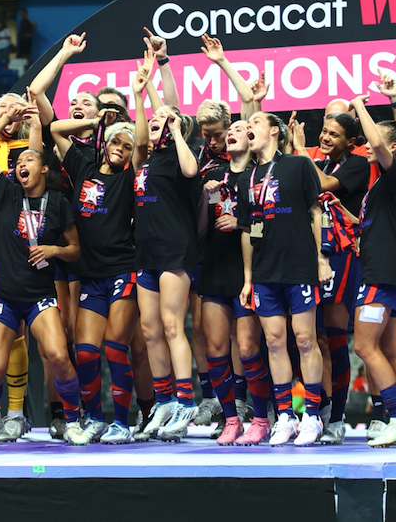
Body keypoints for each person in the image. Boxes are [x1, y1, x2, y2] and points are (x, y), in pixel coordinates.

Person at [0, 98, 86, 446]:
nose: (22, 163)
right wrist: (4, 118)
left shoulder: (59, 204)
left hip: (39, 295)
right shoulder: (6, 193)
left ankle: (74, 421)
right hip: (4, 294)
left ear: (44, 170)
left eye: (29, 159)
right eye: (18, 161)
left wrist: (54, 250)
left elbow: (75, 249)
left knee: (58, 357)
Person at [47, 58, 151, 444]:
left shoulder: (130, 175)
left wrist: (138, 98)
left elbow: (141, 142)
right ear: (106, 144)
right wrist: (95, 123)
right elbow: (56, 128)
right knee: (86, 352)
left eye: (126, 146)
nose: (121, 150)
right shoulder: (85, 163)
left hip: (122, 270)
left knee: (114, 347)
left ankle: (121, 423)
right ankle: (94, 418)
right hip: (90, 273)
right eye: (116, 143)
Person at [236, 112, 329, 447]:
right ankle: (286, 416)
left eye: (256, 123)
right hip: (264, 271)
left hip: (299, 266)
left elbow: (317, 212)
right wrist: (248, 278)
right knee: (274, 342)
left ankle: (313, 416)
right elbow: (249, 231)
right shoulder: (246, 177)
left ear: (274, 131)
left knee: (305, 340)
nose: (249, 127)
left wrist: (321, 258)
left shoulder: (298, 165)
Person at [291, 108, 369, 444]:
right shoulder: (318, 160)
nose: (324, 138)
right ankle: (318, 408)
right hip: (310, 255)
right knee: (309, 338)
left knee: (334, 338)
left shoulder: (357, 164)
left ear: (351, 141)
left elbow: (321, 185)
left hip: (340, 255)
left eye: (333, 134)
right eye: (323, 131)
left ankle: (337, 418)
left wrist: (299, 148)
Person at [198, 119, 274, 445]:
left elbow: (266, 227)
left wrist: (241, 223)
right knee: (215, 349)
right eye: (230, 131)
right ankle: (230, 419)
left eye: (240, 129)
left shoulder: (260, 176)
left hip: (248, 273)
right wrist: (203, 199)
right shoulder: (211, 173)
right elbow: (199, 230)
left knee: (246, 348)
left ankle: (259, 418)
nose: (232, 133)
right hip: (215, 267)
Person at [350, 94, 396, 447]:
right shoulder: (379, 186)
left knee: (363, 345)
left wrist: (359, 105)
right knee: (391, 347)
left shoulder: (395, 176)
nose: (366, 144)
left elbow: (376, 140)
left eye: (374, 138)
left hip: (382, 272)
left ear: (391, 147)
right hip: (385, 268)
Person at [134, 102, 201, 443]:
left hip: (175, 248)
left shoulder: (181, 154)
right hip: (146, 251)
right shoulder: (147, 159)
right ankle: (163, 400)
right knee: (150, 330)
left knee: (173, 325)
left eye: (166, 116)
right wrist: (140, 93)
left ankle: (186, 401)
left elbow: (191, 172)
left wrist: (175, 129)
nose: (158, 119)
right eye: (156, 117)